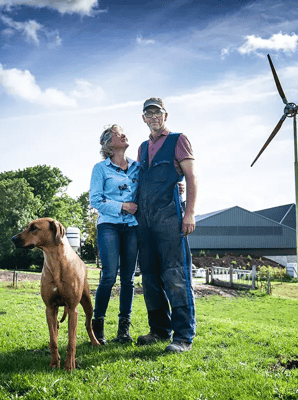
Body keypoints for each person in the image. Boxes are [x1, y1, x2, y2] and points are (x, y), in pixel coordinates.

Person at [135, 97, 198, 353]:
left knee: (176, 275)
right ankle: (160, 330)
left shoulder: (178, 140)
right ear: (143, 118)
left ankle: (183, 337)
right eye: (148, 114)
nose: (153, 118)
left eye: (157, 113)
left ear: (165, 115)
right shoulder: (141, 147)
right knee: (150, 277)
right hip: (145, 221)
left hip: (170, 218)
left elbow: (191, 177)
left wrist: (190, 213)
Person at [89, 124, 139, 344]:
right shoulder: (100, 169)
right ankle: (97, 327)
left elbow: (152, 187)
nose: (124, 134)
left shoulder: (138, 167)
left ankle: (123, 331)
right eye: (118, 133)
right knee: (109, 276)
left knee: (128, 279)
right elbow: (95, 200)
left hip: (132, 227)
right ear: (109, 143)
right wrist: (122, 206)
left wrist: (177, 186)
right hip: (109, 225)